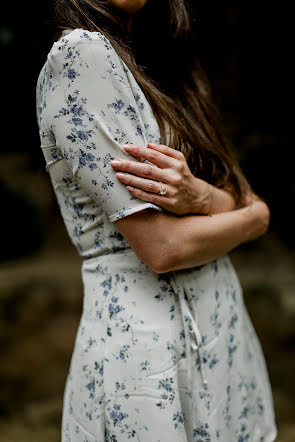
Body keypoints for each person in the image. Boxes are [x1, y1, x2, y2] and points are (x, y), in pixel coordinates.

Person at [36, 0, 277, 440]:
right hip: (151, 357)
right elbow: (164, 248)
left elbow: (249, 200)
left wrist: (200, 196)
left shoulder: (167, 65)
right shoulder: (82, 56)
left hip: (221, 335)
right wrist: (253, 218)